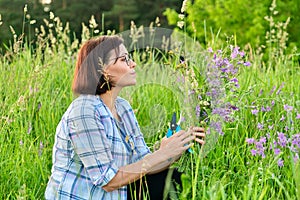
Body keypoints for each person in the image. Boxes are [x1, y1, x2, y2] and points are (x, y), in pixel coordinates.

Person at [45, 35, 206, 200]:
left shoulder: (122, 107)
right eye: (124, 59)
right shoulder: (84, 111)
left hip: (117, 194)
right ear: (103, 70)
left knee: (174, 179)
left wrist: (175, 148)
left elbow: (143, 163)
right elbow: (107, 181)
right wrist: (162, 154)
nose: (133, 63)